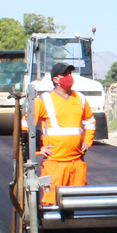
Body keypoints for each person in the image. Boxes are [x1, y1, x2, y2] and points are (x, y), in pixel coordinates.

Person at [33, 62, 96, 205]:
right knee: (52, 204)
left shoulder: (80, 98)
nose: (69, 77)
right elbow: (26, 127)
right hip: (54, 163)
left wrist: (88, 140)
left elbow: (90, 121)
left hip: (77, 162)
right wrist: (39, 149)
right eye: (65, 74)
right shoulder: (44, 100)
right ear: (55, 79)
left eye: (70, 73)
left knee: (78, 204)